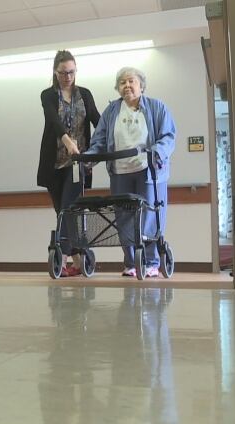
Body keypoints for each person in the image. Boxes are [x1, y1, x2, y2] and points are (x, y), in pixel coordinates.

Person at [86, 67, 176, 277]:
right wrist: (90, 158)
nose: (127, 86)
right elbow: (99, 140)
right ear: (118, 88)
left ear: (141, 85)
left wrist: (156, 153)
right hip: (120, 171)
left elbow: (168, 136)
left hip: (148, 170)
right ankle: (131, 262)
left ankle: (152, 261)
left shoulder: (156, 107)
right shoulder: (111, 112)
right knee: (124, 217)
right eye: (122, 83)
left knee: (150, 215)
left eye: (131, 81)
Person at [37, 50, 101, 276]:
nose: (68, 77)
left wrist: (100, 147)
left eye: (72, 72)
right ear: (55, 72)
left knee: (67, 209)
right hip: (54, 164)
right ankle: (78, 258)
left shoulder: (85, 94)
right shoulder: (48, 95)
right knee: (64, 213)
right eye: (63, 73)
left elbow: (97, 120)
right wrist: (67, 141)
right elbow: (53, 121)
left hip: (77, 165)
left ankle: (60, 258)